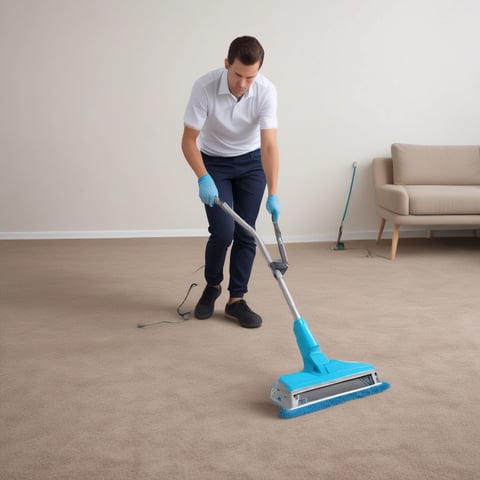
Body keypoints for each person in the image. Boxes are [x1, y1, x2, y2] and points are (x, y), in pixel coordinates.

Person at [181, 36, 280, 329]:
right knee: (223, 232)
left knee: (246, 233)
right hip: (215, 163)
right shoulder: (204, 87)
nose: (243, 84)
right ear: (227, 64)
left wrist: (273, 192)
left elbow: (270, 146)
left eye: (251, 77)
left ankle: (237, 300)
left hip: (251, 164)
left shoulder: (266, 90)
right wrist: (203, 177)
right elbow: (188, 141)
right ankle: (212, 287)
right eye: (238, 75)